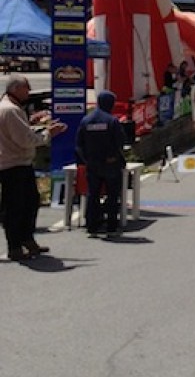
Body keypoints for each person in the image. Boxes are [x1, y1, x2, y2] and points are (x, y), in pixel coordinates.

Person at [0, 76, 67, 260]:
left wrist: (39, 128)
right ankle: (15, 246)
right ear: (16, 89)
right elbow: (24, 140)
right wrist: (48, 134)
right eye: (26, 89)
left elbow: (22, 134)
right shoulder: (11, 110)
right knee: (16, 207)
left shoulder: (9, 107)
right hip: (14, 164)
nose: (28, 92)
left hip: (15, 163)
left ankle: (26, 240)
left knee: (28, 203)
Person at [76, 90, 127, 238]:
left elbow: (79, 144)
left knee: (93, 194)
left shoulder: (86, 120)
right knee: (112, 194)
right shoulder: (112, 121)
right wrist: (112, 156)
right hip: (110, 164)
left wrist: (87, 160)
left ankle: (92, 225)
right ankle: (111, 225)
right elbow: (120, 142)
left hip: (92, 164)